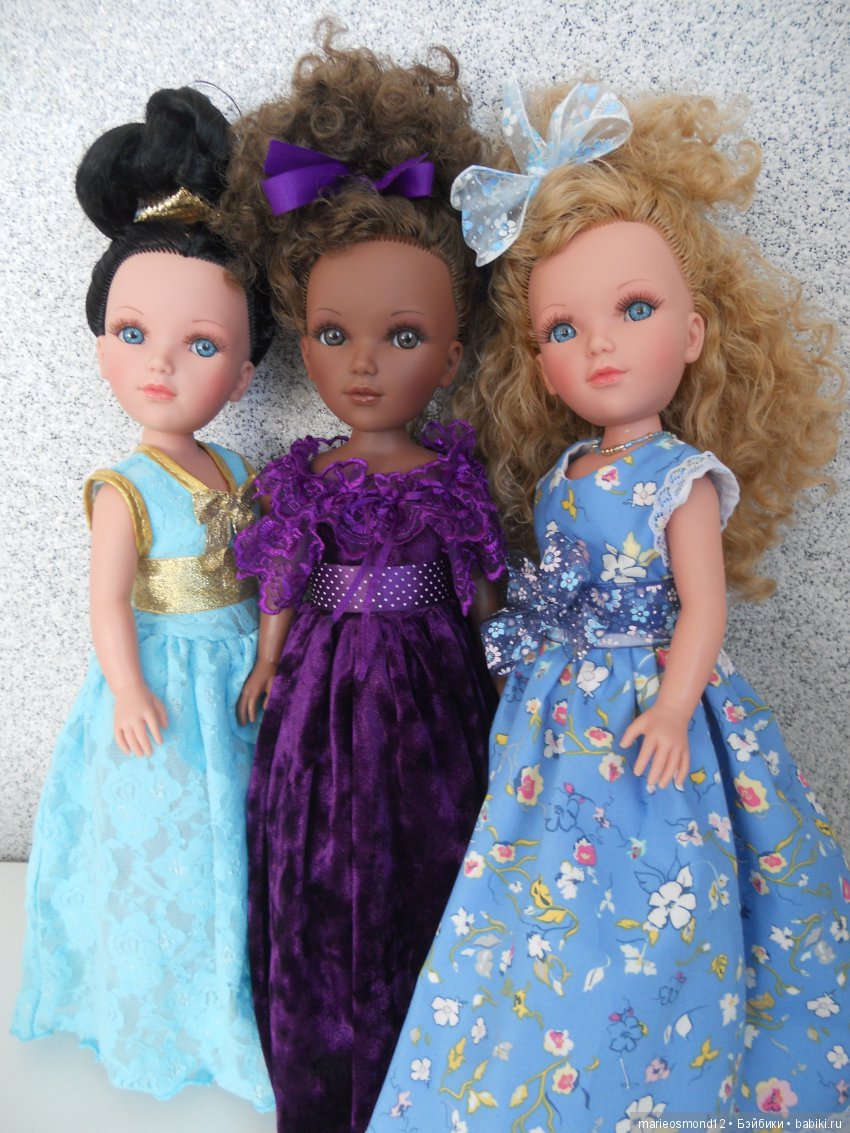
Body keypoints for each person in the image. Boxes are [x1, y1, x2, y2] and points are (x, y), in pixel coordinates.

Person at [367, 80, 848, 1131]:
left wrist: (673, 708)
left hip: (658, 710)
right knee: (546, 886)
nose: (600, 346)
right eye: (562, 327)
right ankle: (554, 1049)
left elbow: (703, 609)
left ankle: (664, 1065)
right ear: (539, 364)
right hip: (555, 714)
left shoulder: (681, 476)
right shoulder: (564, 473)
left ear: (694, 330)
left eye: (634, 310)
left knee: (668, 887)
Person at [217, 25, 505, 1133]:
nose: (364, 363)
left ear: (454, 351)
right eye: (334, 334)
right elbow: (284, 573)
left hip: (434, 685)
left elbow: (478, 583)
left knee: (433, 849)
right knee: (317, 858)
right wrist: (266, 660)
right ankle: (324, 1058)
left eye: (402, 335)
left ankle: (431, 1064)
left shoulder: (454, 474)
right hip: (322, 686)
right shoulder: (307, 475)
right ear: (303, 340)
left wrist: (499, 669)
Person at [13, 86, 276, 1110]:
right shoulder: (124, 486)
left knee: (238, 841)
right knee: (162, 848)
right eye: (133, 333)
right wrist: (125, 688)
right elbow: (108, 602)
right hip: (161, 687)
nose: (161, 364)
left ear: (243, 374)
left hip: (237, 680)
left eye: (201, 346)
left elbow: (263, 568)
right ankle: (157, 1009)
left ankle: (234, 999)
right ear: (100, 348)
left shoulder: (234, 469)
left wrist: (271, 650)